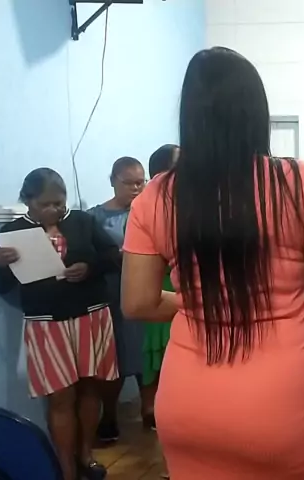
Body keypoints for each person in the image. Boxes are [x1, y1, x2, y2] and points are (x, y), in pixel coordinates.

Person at [120, 47, 304, 479]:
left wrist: (199, 300)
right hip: (281, 408)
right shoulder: (300, 182)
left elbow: (137, 302)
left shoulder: (155, 195)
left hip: (187, 405)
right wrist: (289, 274)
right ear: (255, 112)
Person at [0, 168, 120, 480]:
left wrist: (88, 267)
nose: (54, 210)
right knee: (60, 396)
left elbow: (113, 256)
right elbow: (0, 286)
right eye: (45, 204)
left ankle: (86, 454)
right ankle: (66, 468)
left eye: (59, 203)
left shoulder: (82, 221)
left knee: (91, 387)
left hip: (91, 315)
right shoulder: (13, 232)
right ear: (28, 201)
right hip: (46, 323)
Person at [88, 157, 150, 442]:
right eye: (129, 183)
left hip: (146, 289)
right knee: (114, 355)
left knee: (146, 352)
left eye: (141, 182)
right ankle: (109, 415)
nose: (136, 188)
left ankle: (149, 409)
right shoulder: (94, 218)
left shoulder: (150, 212)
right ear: (113, 181)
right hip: (111, 293)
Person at [140, 144, 180, 425]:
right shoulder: (147, 209)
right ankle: (155, 411)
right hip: (161, 291)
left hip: (185, 293)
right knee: (160, 355)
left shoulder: (191, 207)